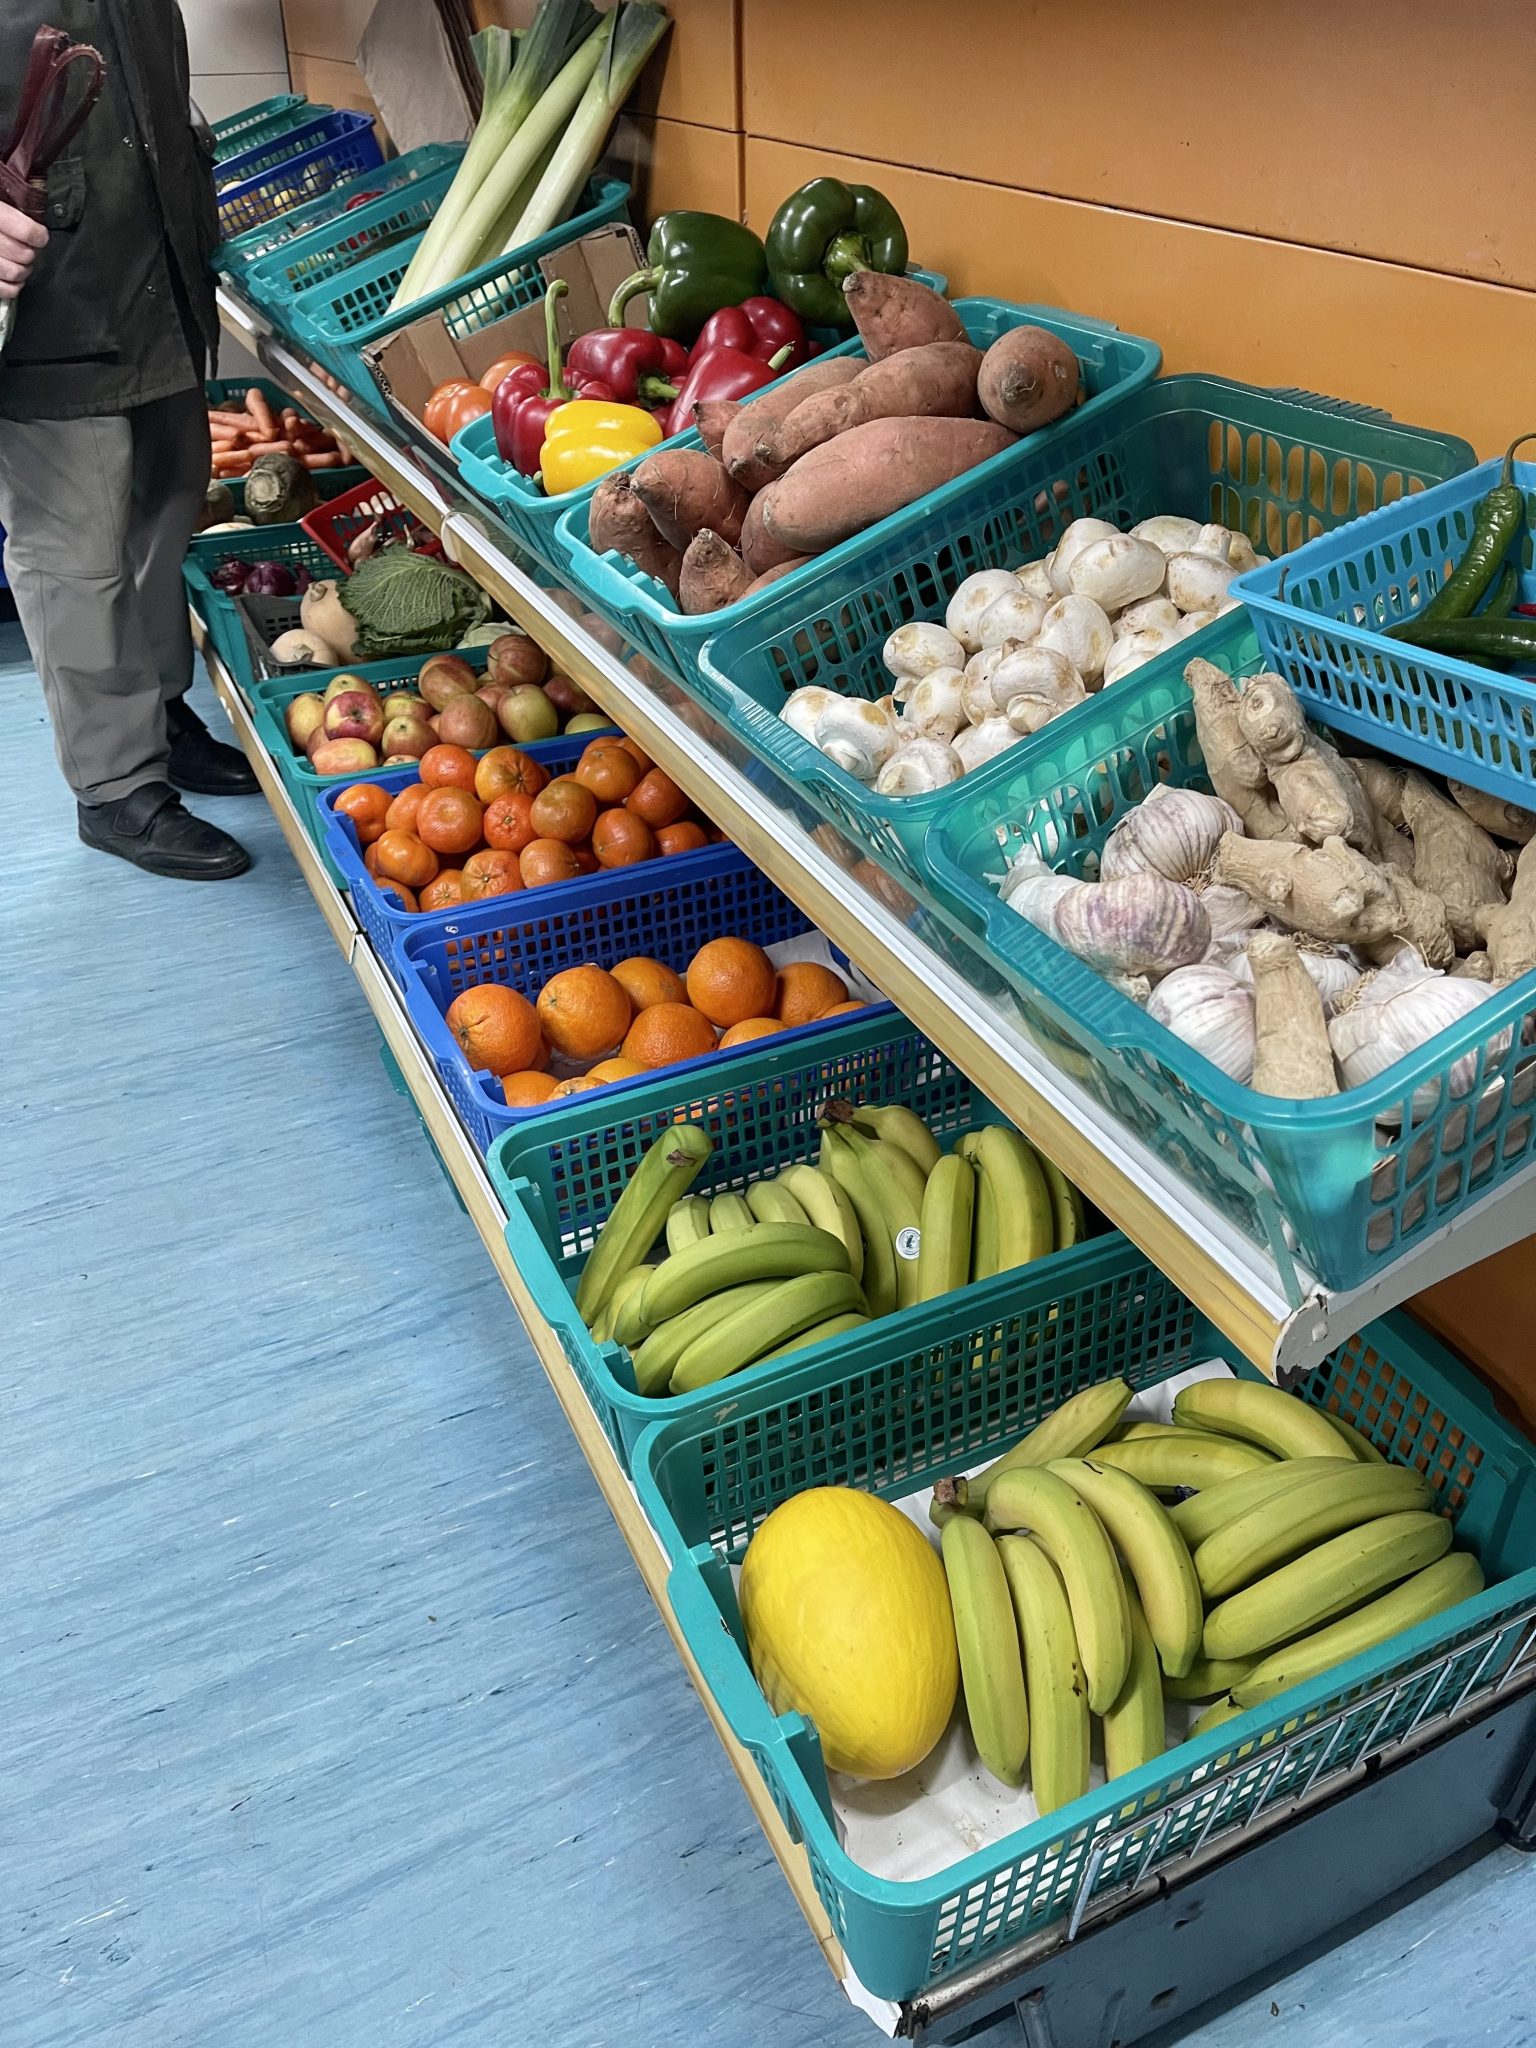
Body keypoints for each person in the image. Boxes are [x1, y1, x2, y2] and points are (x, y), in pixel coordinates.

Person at [0, 0, 256, 880]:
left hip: (158, 272)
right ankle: (115, 785)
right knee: (74, 551)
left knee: (164, 505)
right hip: (49, 299)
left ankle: (153, 713)